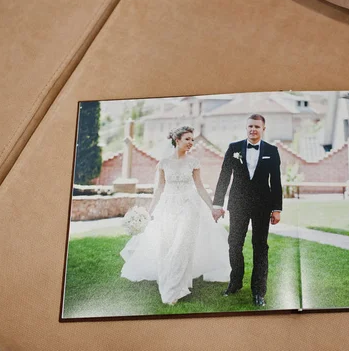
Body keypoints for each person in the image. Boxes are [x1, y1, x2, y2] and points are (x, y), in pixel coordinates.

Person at [120, 126, 230, 305]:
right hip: (168, 207)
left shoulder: (193, 162)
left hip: (189, 207)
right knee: (167, 246)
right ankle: (172, 281)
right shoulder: (163, 163)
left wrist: (212, 208)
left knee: (182, 244)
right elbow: (159, 189)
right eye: (187, 139)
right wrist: (149, 211)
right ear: (177, 140)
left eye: (192, 140)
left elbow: (200, 187)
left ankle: (173, 289)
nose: (191, 143)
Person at [212, 114, 283, 307]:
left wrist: (277, 209)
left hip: (263, 205)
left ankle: (259, 291)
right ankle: (235, 283)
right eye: (250, 126)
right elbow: (224, 176)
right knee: (234, 244)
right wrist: (217, 204)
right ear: (246, 128)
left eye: (257, 127)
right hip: (239, 204)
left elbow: (276, 182)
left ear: (263, 129)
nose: (253, 129)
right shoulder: (233, 148)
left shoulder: (272, 151)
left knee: (260, 247)